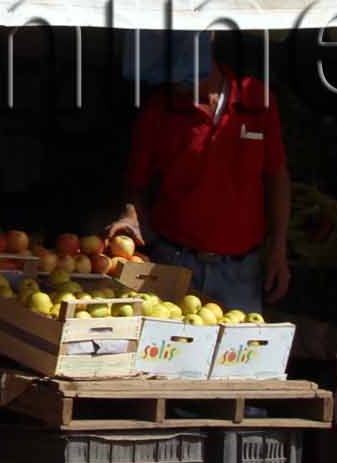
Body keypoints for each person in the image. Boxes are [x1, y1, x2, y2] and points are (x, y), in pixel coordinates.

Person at [107, 34, 292, 314]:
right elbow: (137, 185)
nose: (174, 83)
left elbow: (276, 176)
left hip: (242, 272)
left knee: (239, 356)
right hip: (175, 263)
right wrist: (132, 217)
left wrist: (279, 249)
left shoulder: (257, 99)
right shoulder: (159, 109)